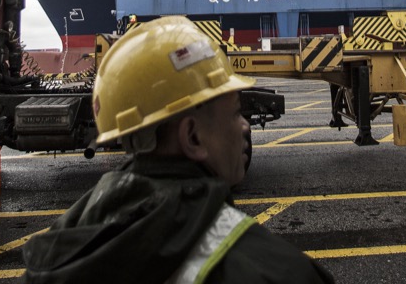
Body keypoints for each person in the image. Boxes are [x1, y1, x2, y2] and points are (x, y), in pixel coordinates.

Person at [21, 15, 334, 284]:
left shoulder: (55, 255)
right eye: (236, 112)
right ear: (193, 137)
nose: (244, 127)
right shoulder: (279, 272)